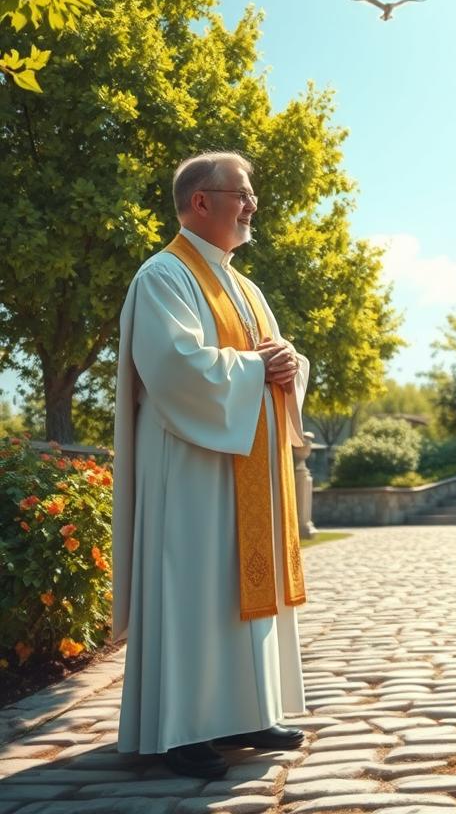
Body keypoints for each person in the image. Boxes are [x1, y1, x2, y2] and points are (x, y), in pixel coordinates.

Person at [113, 150, 310, 779]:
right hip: (190, 467)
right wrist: (258, 369)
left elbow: (276, 362)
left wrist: (288, 363)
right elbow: (175, 366)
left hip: (244, 463)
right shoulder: (163, 276)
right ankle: (183, 729)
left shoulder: (245, 288)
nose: (252, 205)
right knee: (195, 587)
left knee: (241, 585)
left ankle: (250, 712)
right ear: (202, 201)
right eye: (242, 193)